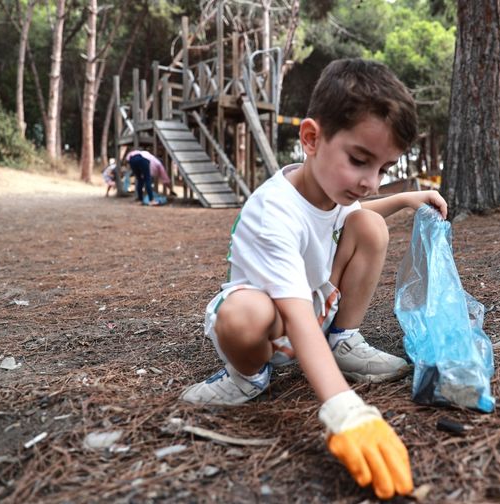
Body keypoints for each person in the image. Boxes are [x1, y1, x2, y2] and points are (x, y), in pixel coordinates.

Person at [180, 59, 447, 500]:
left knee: (370, 226)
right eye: (360, 160)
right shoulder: (275, 212)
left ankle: (342, 340)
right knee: (244, 315)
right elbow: (295, 316)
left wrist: (401, 199)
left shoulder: (331, 187)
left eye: (382, 168)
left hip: (312, 312)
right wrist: (344, 408)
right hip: (269, 325)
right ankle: (247, 376)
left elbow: (355, 212)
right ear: (311, 138)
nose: (368, 181)